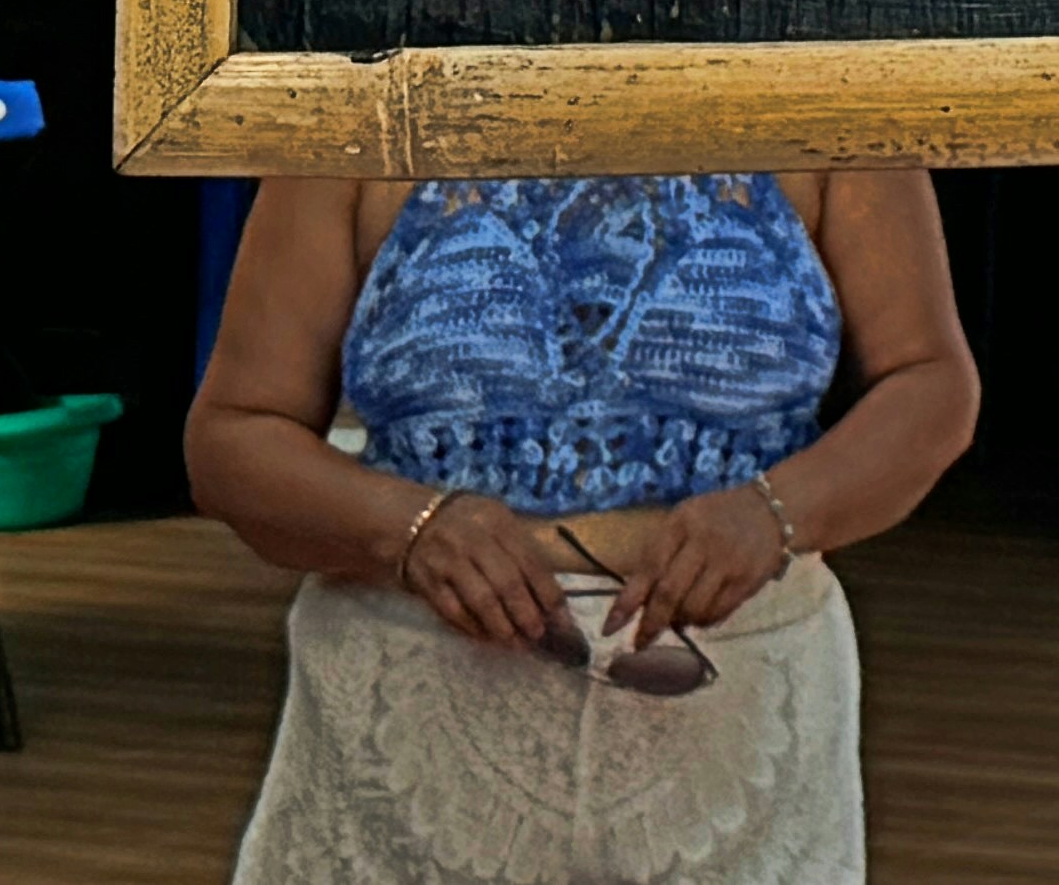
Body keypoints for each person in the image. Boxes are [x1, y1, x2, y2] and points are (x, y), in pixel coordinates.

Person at [189, 166, 981, 881]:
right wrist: (411, 528)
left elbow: (930, 380)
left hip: (732, 724)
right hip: (409, 734)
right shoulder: (365, 108)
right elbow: (234, 435)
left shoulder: (826, 101)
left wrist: (776, 512)